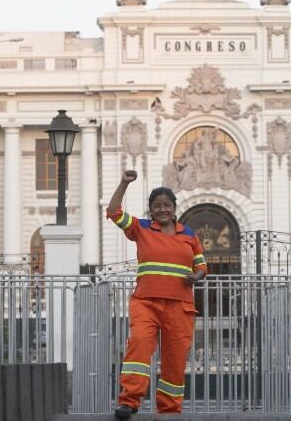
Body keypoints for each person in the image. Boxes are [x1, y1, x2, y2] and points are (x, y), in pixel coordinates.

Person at [106, 170, 208, 419]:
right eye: (157, 206)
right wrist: (123, 183)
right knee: (139, 345)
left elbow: (202, 265)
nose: (162, 209)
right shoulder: (141, 228)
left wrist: (196, 277)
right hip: (146, 302)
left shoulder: (189, 235)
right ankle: (129, 402)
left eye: (167, 205)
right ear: (151, 211)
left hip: (180, 306)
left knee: (174, 359)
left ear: (174, 209)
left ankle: (169, 408)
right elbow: (113, 212)